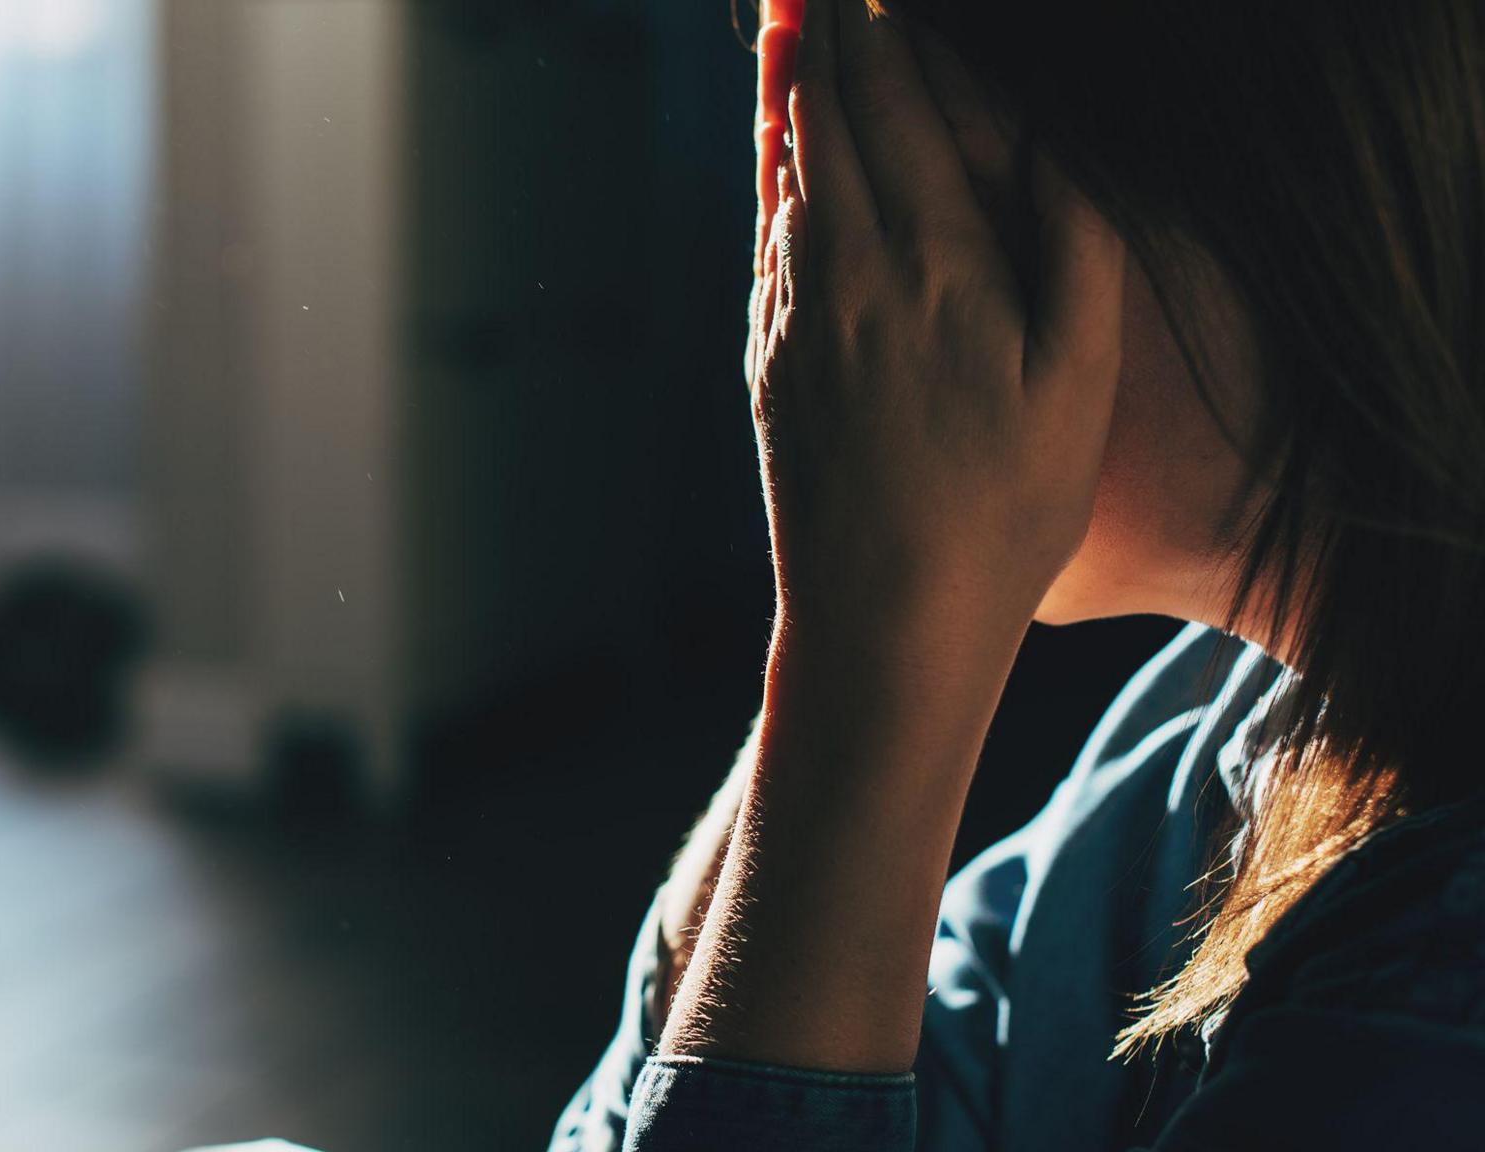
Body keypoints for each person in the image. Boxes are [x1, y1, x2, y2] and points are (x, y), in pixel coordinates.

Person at [211, 1, 1485, 1148]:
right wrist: (850, 628)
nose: (834, 276)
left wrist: (872, 657)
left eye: (896, 183)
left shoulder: (1434, 1021)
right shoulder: (1219, 731)